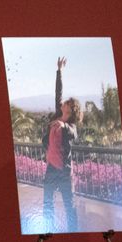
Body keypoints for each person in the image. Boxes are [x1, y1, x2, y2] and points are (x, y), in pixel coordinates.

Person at [43, 57, 81, 232]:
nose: (63, 103)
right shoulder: (57, 115)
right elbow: (58, 92)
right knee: (47, 203)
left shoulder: (71, 126)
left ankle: (73, 231)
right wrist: (59, 71)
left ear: (71, 109)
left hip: (64, 172)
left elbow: (73, 133)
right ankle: (46, 231)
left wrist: (63, 125)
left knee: (69, 205)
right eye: (63, 103)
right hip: (51, 168)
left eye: (67, 103)